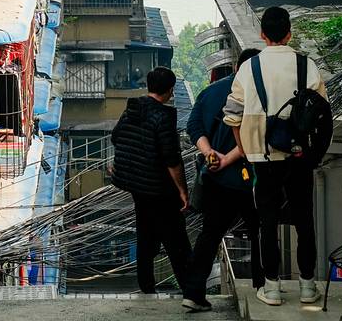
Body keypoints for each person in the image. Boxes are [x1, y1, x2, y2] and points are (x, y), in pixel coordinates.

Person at [224, 6, 327, 307]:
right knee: (304, 219)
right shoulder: (306, 66)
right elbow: (322, 111)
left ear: (262, 34)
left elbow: (232, 115)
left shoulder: (248, 68)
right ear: (289, 33)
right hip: (299, 155)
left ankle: (271, 289)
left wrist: (243, 147)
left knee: (266, 221)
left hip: (262, 156)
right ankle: (308, 287)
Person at [181, 48, 263, 312]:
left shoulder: (212, 92)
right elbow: (257, 136)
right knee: (261, 233)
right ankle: (264, 286)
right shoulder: (259, 95)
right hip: (250, 179)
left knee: (209, 235)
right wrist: (227, 158)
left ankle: (193, 293)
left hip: (216, 179)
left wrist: (209, 154)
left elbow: (194, 126)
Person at [111, 66, 191, 295]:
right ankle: (191, 290)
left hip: (137, 186)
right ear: (170, 90)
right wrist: (182, 191)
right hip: (158, 189)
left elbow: (116, 137)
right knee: (177, 242)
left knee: (145, 237)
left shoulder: (132, 109)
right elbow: (171, 159)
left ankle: (147, 287)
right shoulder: (162, 117)